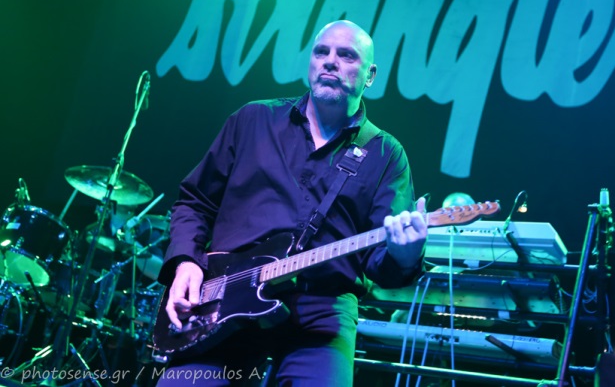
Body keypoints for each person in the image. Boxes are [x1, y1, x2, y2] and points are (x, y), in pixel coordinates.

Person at [156, 20, 427, 386]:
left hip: (322, 310)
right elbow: (195, 201)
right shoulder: (254, 119)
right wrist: (186, 262)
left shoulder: (386, 154)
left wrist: (405, 255)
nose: (330, 61)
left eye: (347, 55)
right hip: (226, 293)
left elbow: (381, 265)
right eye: (321, 52)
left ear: (370, 75)